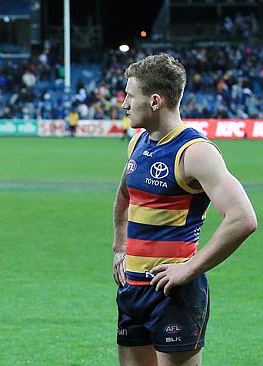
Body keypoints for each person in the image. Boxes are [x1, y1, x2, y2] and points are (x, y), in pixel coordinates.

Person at [112, 53, 257, 366]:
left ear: (154, 101)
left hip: (173, 295)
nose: (123, 103)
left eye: (129, 95)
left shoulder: (195, 152)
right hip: (132, 291)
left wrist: (191, 268)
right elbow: (124, 194)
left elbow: (243, 218)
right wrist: (119, 247)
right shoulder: (138, 142)